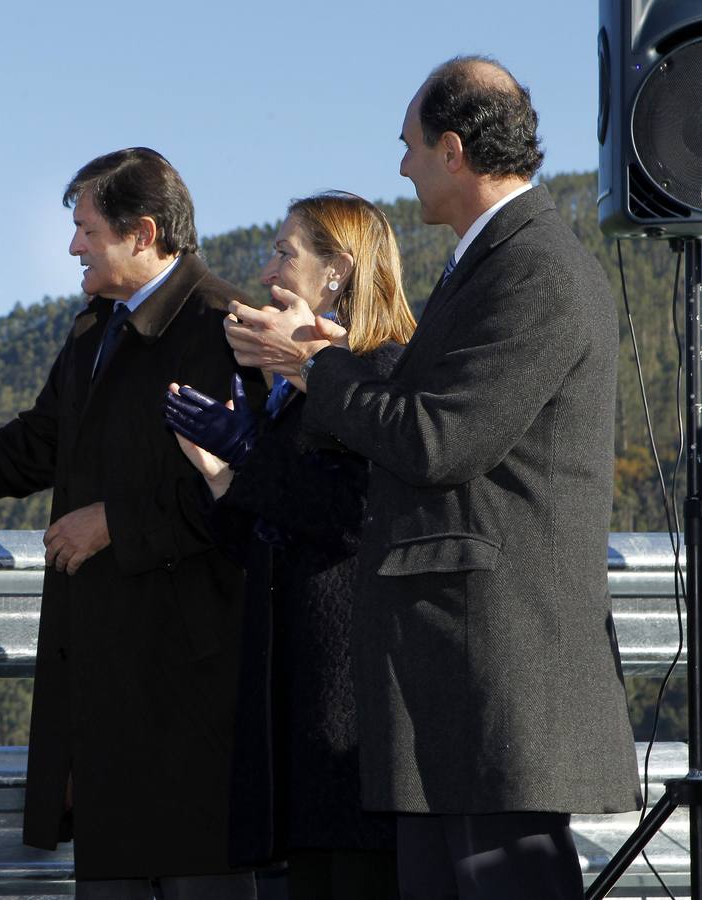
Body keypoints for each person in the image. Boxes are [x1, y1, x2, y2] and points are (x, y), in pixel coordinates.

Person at [221, 57, 641, 899]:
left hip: (495, 667)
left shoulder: (535, 269)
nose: (402, 166)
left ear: (453, 149)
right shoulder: (487, 263)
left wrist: (313, 370)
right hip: (453, 666)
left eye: (410, 146)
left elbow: (439, 439)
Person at [0, 148, 265, 898]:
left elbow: (250, 497)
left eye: (85, 229)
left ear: (142, 233)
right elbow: (34, 447)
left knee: (202, 876)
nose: (74, 246)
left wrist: (115, 522)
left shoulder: (223, 329)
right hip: (106, 682)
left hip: (193, 685)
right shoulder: (93, 332)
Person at [164, 191, 414, 899]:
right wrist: (220, 476)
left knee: (358, 875)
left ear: (337, 269)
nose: (268, 265)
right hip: (297, 688)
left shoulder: (382, 371)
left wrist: (252, 456)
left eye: (286, 250)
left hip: (353, 693)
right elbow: (268, 540)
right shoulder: (292, 386)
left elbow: (360, 514)